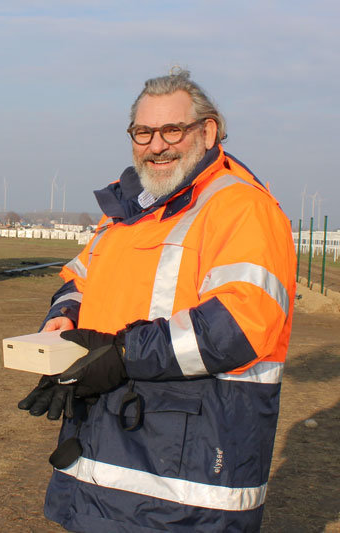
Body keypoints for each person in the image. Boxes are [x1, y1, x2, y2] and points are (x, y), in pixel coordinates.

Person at [18, 68, 296, 532]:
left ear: (208, 132)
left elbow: (242, 323)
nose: (157, 145)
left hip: (185, 471)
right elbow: (79, 278)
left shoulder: (241, 208)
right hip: (105, 448)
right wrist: (64, 319)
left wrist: (119, 354)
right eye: (143, 132)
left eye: (172, 130)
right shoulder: (129, 212)